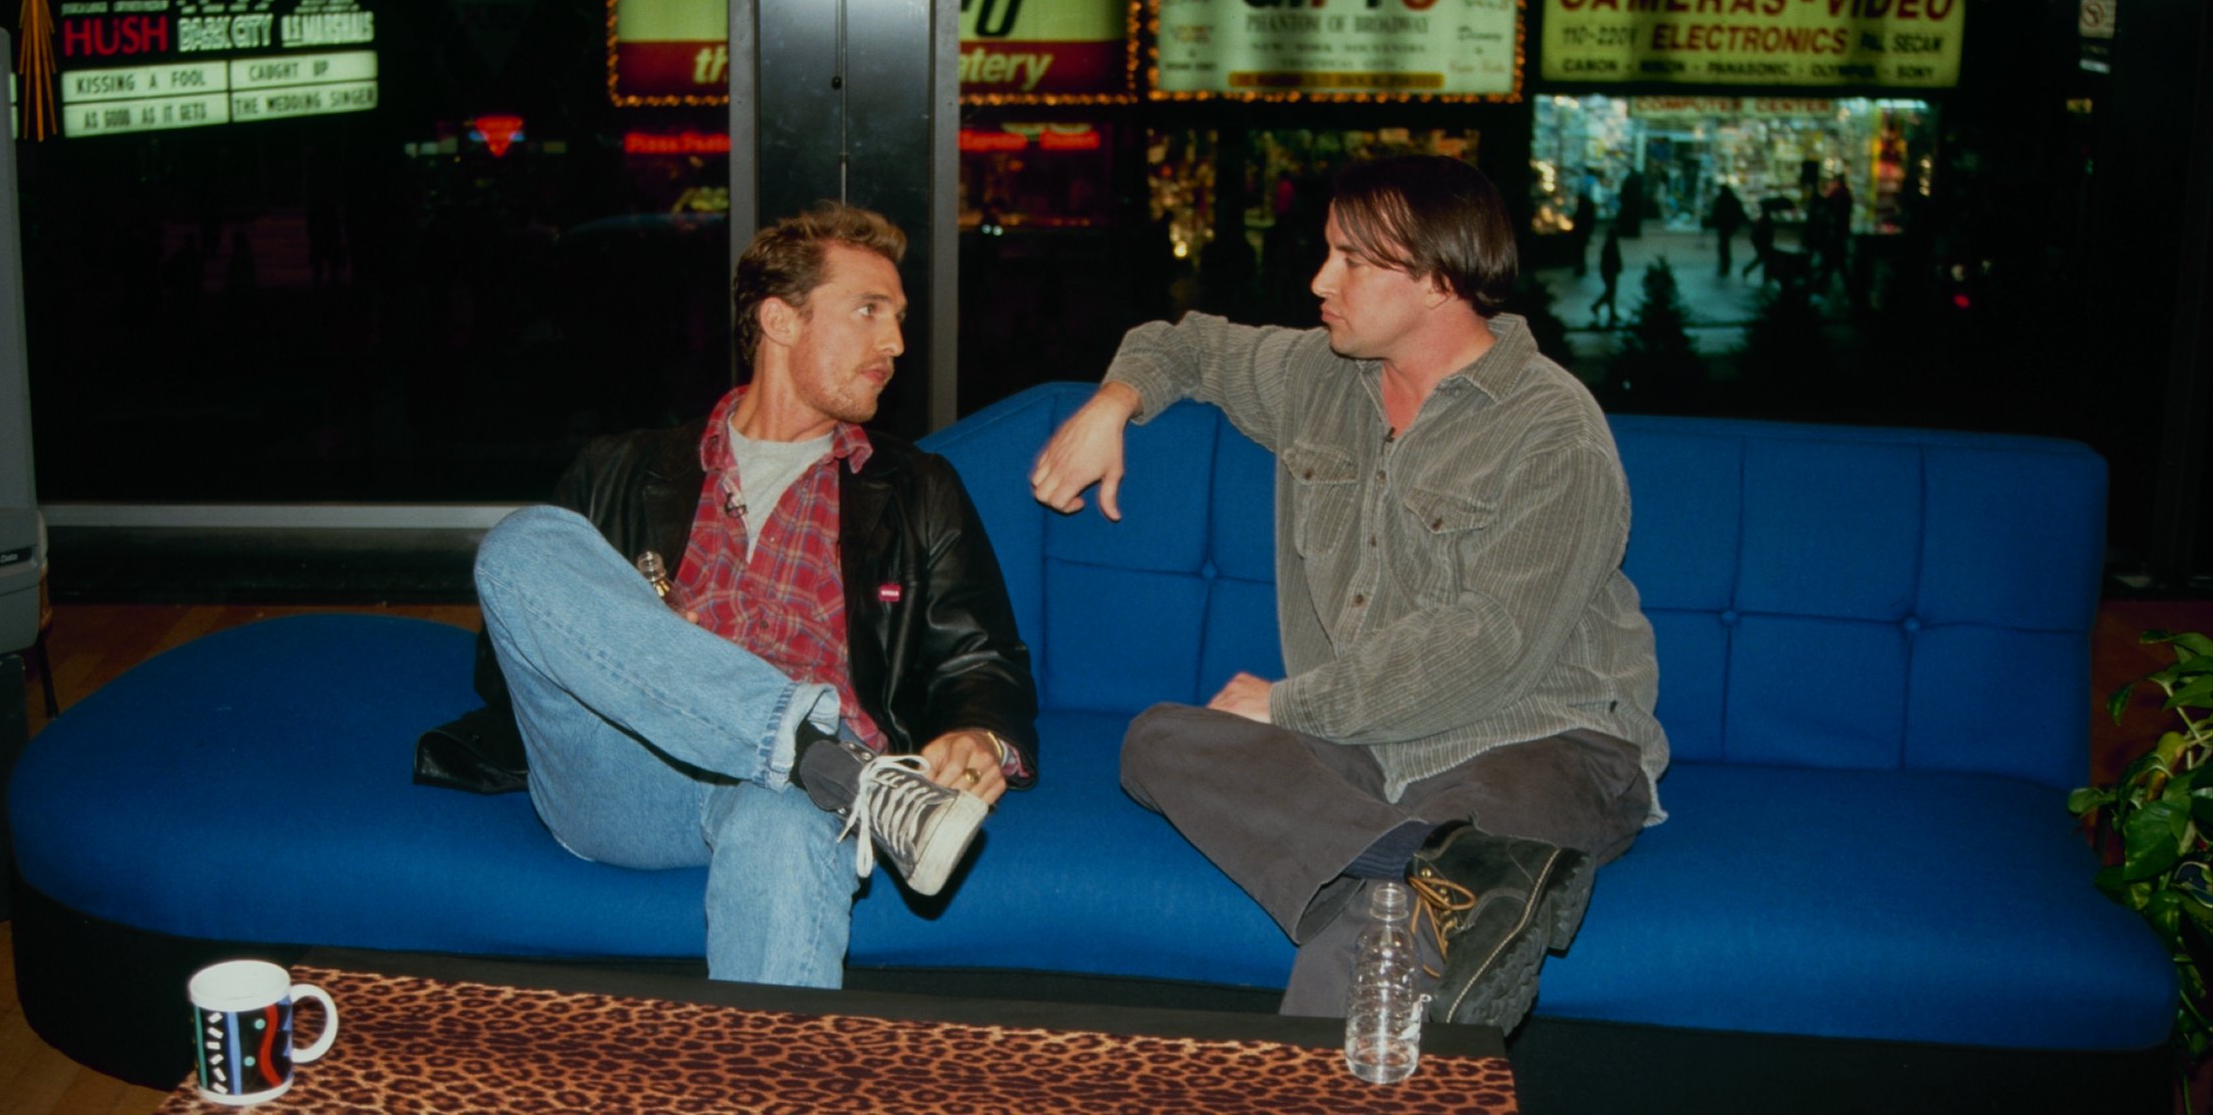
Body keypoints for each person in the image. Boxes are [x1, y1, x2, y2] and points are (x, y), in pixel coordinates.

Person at [1028, 155, 1665, 1032]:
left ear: (1441, 280)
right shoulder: (1321, 378)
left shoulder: (1552, 430)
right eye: (1328, 252)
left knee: (1379, 925)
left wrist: (1295, 704)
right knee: (1160, 741)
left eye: (1354, 262)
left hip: (1543, 740)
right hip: (1371, 755)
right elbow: (1186, 343)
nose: (1321, 280)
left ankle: (1408, 886)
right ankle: (1432, 867)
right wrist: (1113, 404)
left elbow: (1491, 646)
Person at [418, 203, 1038, 989]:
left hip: (789, 805)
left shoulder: (916, 491)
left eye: (899, 318)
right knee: (522, 541)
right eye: (869, 311)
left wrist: (982, 737)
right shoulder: (619, 470)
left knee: (787, 812)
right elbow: (511, 659)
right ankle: (826, 760)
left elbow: (983, 661)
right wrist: (644, 641)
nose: (896, 343)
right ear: (780, 321)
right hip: (626, 772)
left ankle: (820, 781)